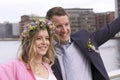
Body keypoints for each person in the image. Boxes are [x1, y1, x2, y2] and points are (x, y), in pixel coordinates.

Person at [46, 6, 120, 80]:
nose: (64, 30)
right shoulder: (45, 53)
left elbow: (110, 29)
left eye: (66, 24)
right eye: (59, 26)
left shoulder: (84, 39)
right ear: (50, 28)